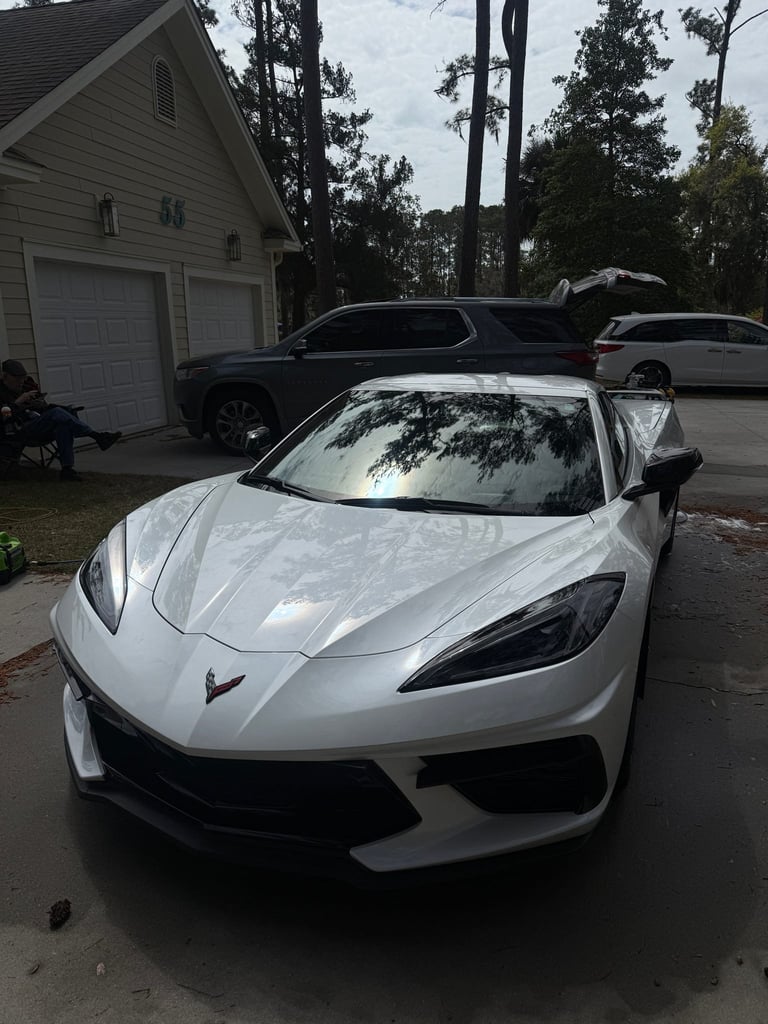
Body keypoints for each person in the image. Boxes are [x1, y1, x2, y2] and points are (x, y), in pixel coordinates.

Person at [0, 359, 121, 482]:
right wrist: (19, 401)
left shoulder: (22, 388)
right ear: (5, 376)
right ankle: (97, 436)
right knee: (56, 413)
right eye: (17, 378)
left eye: (23, 378)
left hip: (37, 424)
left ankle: (67, 471)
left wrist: (37, 403)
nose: (21, 382)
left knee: (63, 425)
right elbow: (5, 417)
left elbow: (38, 409)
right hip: (18, 431)